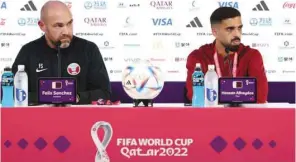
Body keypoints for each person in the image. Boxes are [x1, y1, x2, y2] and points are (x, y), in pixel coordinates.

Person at [12, 1, 111, 104]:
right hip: (39, 117)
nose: (66, 32)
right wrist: (49, 96)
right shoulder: (28, 52)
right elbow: (14, 93)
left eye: (69, 23)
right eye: (58, 26)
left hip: (80, 117)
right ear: (42, 26)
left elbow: (104, 93)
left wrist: (75, 97)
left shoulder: (89, 49)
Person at [185, 7, 268, 103]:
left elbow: (260, 97)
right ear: (215, 32)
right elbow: (195, 96)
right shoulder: (198, 57)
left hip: (244, 116)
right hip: (210, 116)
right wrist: (238, 95)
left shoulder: (252, 55)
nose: (237, 34)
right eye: (230, 29)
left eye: (239, 28)